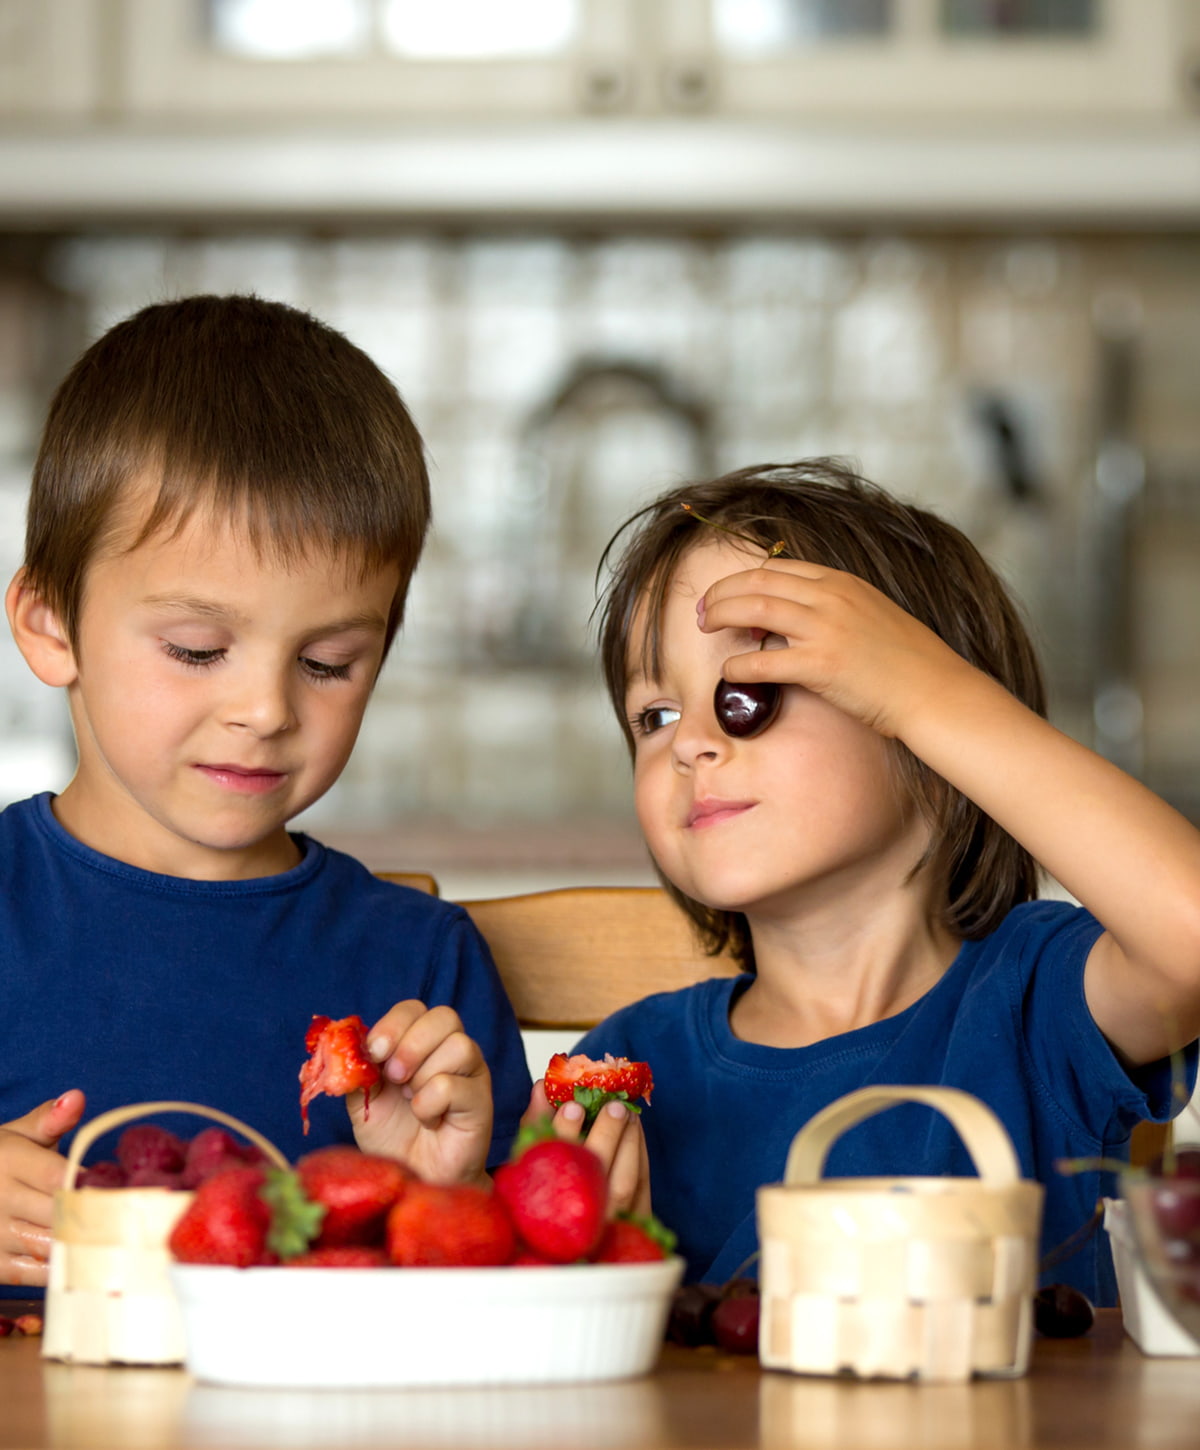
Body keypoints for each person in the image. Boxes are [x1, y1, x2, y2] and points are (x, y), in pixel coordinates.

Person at [562, 458, 1200, 1305]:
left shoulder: (1035, 1003)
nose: (689, 744)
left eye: (752, 688)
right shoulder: (629, 1065)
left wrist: (925, 690)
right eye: (656, 715)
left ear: (928, 741)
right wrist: (592, 1258)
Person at [0, 294, 533, 1294]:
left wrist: (434, 1202)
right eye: (197, 650)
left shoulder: (418, 964)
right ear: (50, 626)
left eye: (329, 662)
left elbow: (502, 1308)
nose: (265, 708)